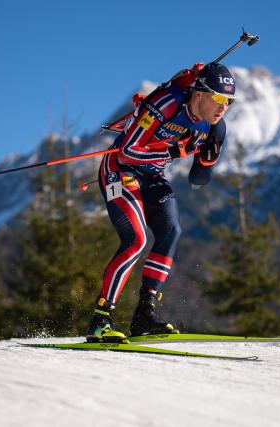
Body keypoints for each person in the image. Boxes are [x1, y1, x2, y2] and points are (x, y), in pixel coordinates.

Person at [86, 62, 236, 342]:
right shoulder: (166, 103)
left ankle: (144, 315)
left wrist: (207, 159)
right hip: (119, 171)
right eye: (218, 99)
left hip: (152, 174)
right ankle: (100, 320)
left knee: (171, 231)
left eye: (229, 101)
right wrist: (179, 148)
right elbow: (128, 152)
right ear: (200, 94)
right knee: (136, 240)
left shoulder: (217, 127)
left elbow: (198, 179)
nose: (223, 107)